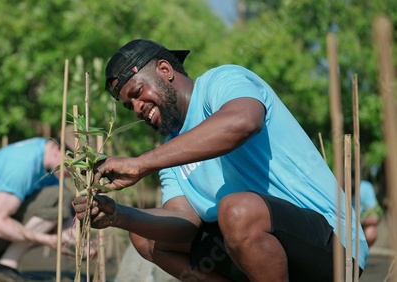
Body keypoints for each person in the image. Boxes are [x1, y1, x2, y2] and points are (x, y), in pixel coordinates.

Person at [73, 39, 369, 281]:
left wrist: (141, 163)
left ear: (164, 70)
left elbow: (243, 122)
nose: (137, 108)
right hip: (256, 253)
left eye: (138, 93)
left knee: (236, 210)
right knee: (146, 238)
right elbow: (184, 223)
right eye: (129, 106)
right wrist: (119, 216)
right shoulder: (170, 149)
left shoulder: (221, 82)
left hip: (333, 249)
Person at [0, 125, 91, 281]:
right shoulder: (23, 165)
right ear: (58, 150)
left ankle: (2, 262)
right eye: (75, 165)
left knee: (61, 198)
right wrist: (48, 241)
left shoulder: (47, 160)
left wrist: (74, 242)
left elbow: (59, 215)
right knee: (60, 196)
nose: (75, 174)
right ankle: (5, 265)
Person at [353, 179, 382, 247]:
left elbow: (375, 218)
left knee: (371, 232)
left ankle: (362, 254)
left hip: (361, 225)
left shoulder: (366, 187)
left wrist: (360, 221)